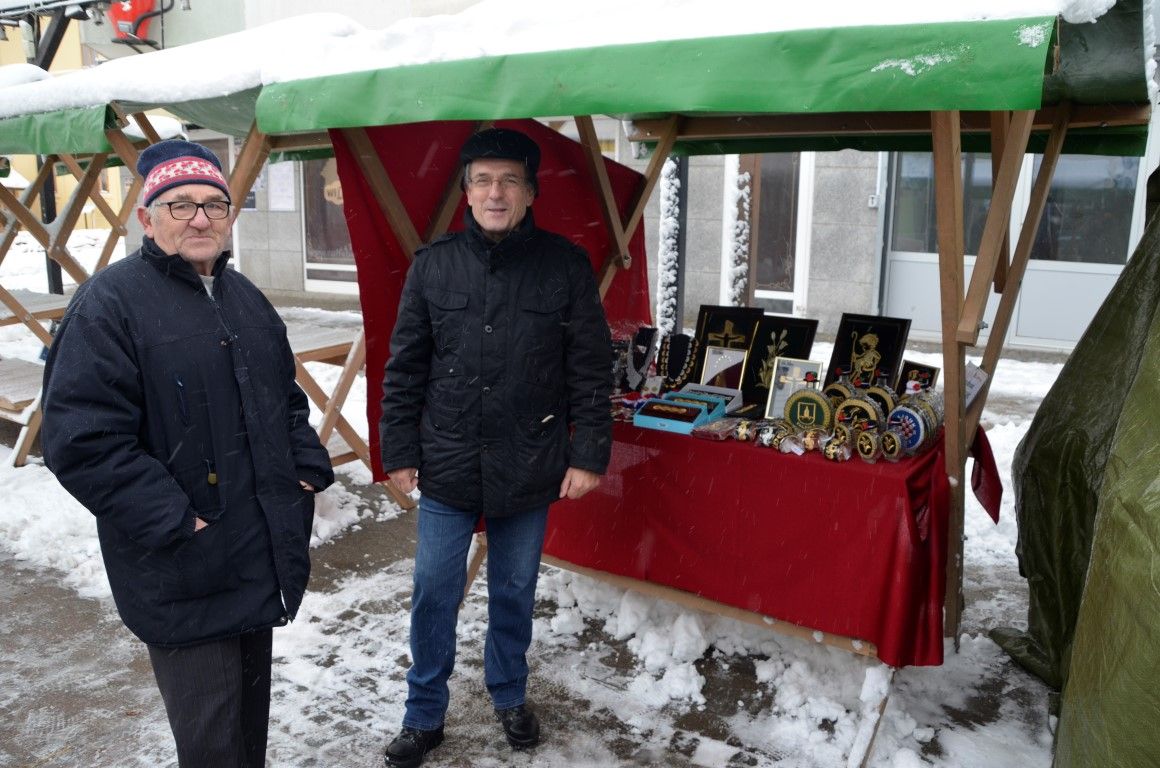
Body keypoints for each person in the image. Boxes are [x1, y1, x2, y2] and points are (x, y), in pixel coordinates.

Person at [40, 139, 335, 767]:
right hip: (183, 567)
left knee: (247, 733)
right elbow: (82, 439)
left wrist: (306, 467)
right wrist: (177, 520)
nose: (200, 219)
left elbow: (283, 399)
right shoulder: (110, 305)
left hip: (255, 553)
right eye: (180, 205)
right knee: (211, 744)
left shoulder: (243, 296)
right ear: (147, 219)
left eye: (213, 205)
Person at [379, 127, 612, 767]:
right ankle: (423, 714)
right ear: (466, 191)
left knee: (513, 589)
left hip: (530, 458)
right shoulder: (433, 265)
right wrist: (398, 450)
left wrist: (588, 453)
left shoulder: (565, 266)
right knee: (434, 589)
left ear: (530, 192)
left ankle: (509, 693)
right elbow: (405, 368)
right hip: (448, 458)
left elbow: (591, 369)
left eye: (510, 180)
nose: (495, 192)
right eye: (482, 180)